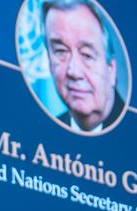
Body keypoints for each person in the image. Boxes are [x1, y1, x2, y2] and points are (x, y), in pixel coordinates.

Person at [42, 0, 125, 132]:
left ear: (111, 69)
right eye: (61, 51)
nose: (74, 71)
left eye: (86, 55)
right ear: (49, 61)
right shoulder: (45, 135)